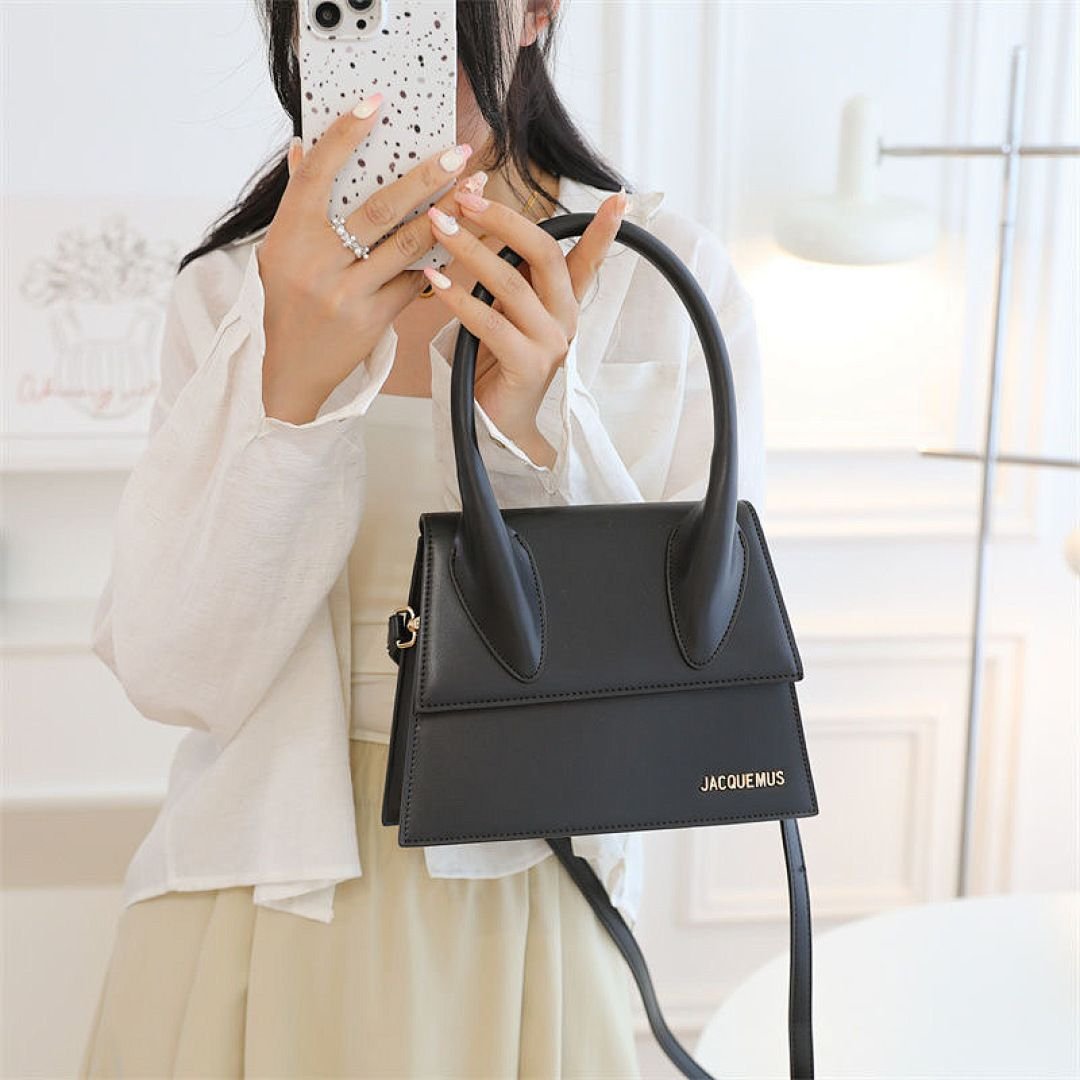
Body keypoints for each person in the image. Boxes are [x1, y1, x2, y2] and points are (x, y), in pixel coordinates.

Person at [80, 0, 767, 1075]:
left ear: (535, 11)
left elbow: (690, 673)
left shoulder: (656, 280)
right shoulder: (230, 290)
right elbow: (174, 673)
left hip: (527, 900)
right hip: (244, 895)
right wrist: (289, 399)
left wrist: (540, 436)